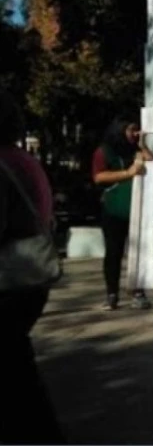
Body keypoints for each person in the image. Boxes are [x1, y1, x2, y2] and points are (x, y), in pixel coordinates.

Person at [0, 90, 66, 444]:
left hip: (8, 282)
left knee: (16, 378)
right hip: (30, 282)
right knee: (17, 370)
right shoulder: (25, 161)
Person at [91, 119, 153, 310]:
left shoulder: (136, 150)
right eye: (131, 130)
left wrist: (143, 146)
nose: (135, 133)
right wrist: (128, 173)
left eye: (137, 129)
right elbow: (99, 176)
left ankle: (139, 292)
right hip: (113, 211)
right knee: (113, 253)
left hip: (138, 211)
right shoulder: (104, 151)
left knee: (139, 254)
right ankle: (112, 294)